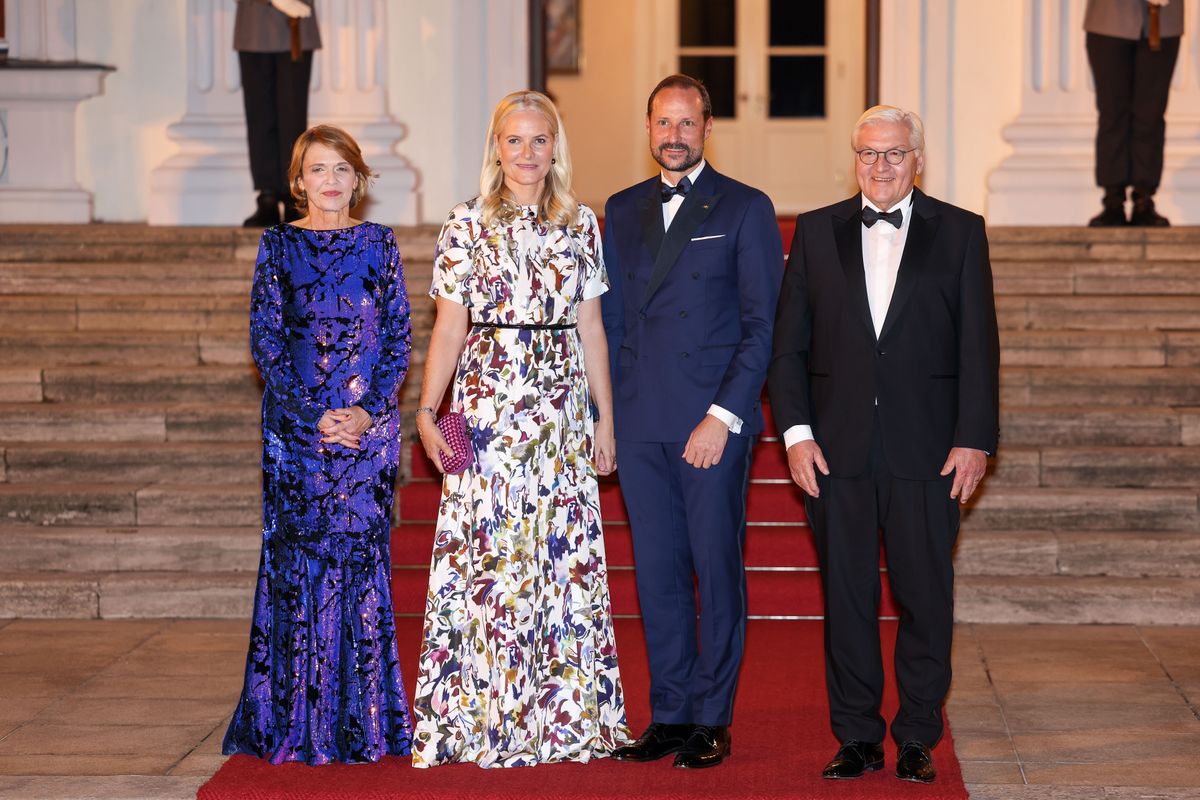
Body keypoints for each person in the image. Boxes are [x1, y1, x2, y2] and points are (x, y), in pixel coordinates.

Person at [768, 106, 1000, 784]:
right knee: (846, 598)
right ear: (854, 158)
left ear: (917, 158)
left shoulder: (959, 232)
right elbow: (788, 349)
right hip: (834, 452)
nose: (880, 166)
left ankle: (920, 734)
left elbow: (979, 349)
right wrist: (796, 434)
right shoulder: (815, 232)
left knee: (925, 596)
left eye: (894, 154)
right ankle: (858, 736)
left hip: (929, 451)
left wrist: (974, 439)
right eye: (868, 154)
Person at [410, 90, 630, 768]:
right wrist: (425, 410)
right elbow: (450, 327)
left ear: (554, 148)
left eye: (539, 140)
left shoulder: (581, 224)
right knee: (493, 563)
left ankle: (560, 718)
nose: (527, 153)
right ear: (496, 148)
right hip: (486, 409)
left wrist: (606, 421)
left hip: (560, 412)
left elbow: (592, 328)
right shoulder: (465, 223)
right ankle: (483, 720)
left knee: (556, 559)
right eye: (514, 140)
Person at [600, 74, 783, 770]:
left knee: (713, 566)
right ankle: (670, 713)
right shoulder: (619, 209)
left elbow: (763, 326)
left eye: (686, 123)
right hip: (642, 419)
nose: (673, 136)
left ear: (706, 128)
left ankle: (713, 716)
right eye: (662, 123)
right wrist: (605, 419)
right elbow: (612, 321)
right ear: (648, 128)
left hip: (711, 422)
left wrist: (723, 416)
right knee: (657, 574)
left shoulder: (745, 207)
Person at [223, 124, 414, 764]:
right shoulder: (277, 246)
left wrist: (363, 412)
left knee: (359, 565)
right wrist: (313, 418)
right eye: (316, 171)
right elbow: (268, 343)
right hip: (295, 439)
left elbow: (397, 340)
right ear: (298, 181)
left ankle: (364, 724)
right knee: (298, 564)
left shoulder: (379, 244)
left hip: (367, 439)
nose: (329, 182)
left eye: (341, 170)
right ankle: (293, 724)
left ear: (358, 178)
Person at [1084, 0, 1183, 226]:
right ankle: (1113, 200)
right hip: (1109, 19)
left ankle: (1144, 198)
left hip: (1164, 19)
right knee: (1112, 113)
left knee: (1151, 113)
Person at [234, 0, 320, 227]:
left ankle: (293, 195)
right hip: (254, 22)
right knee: (259, 116)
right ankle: (268, 196)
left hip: (295, 22)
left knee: (293, 118)